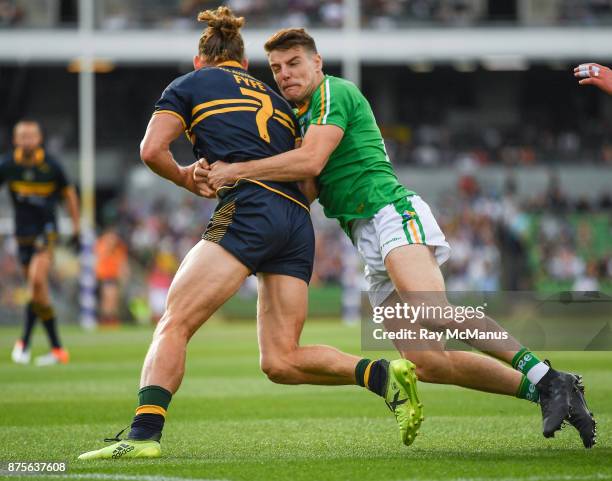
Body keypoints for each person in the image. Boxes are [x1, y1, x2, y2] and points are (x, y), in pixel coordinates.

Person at [195, 28, 597, 448]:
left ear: (316, 62)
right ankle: (550, 391)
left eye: (293, 63)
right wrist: (220, 180)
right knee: (427, 363)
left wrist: (235, 170)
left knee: (433, 311)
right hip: (367, 238)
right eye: (276, 68)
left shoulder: (333, 91)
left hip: (391, 212)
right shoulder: (299, 119)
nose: (284, 75)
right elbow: (306, 187)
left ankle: (547, 376)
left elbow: (311, 159)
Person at [78, 7, 422, 461]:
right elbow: (309, 183)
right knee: (280, 360)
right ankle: (381, 375)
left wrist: (185, 178)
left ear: (201, 62)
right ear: (244, 65)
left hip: (250, 207)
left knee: (175, 321)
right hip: (297, 221)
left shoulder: (189, 84)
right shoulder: (280, 100)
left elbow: (151, 150)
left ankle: (142, 435)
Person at [0, 120, 79, 366]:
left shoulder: (51, 166)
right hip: (21, 236)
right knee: (39, 293)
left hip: (46, 234)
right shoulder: (8, 165)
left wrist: (75, 226)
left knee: (36, 281)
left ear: (39, 138)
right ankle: (55, 349)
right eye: (22, 136)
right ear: (15, 140)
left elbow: (69, 194)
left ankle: (24, 340)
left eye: (31, 135)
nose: (27, 140)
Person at [95, 227, 129, 326]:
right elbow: (100, 256)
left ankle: (110, 320)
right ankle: (107, 320)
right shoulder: (102, 244)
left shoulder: (119, 248)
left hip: (114, 277)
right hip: (106, 276)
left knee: (112, 300)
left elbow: (123, 262)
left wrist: (124, 274)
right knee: (108, 299)